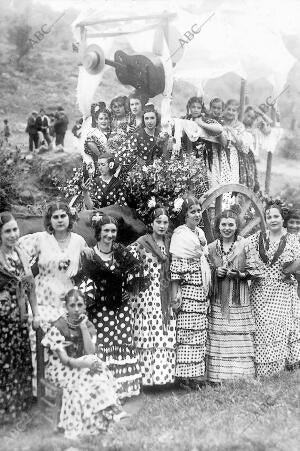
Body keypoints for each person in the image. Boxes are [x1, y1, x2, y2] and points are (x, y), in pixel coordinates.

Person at [19, 202, 87, 391]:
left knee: (67, 344)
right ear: (49, 220)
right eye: (55, 217)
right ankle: (38, 390)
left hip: (67, 301)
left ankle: (67, 388)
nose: (59, 220)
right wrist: (26, 272)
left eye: (62, 216)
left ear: (69, 218)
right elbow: (17, 249)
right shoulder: (41, 239)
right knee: (39, 343)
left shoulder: (79, 241)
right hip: (41, 300)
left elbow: (87, 266)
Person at [75, 214, 142, 399]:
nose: (110, 235)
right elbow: (83, 280)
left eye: (113, 231)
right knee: (102, 345)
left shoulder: (121, 252)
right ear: (98, 232)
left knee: (121, 342)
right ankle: (102, 388)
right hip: (100, 310)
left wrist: (131, 290)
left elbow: (136, 272)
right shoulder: (90, 254)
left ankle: (123, 389)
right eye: (106, 231)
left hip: (122, 309)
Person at [42, 288, 124, 439]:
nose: (76, 309)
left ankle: (99, 418)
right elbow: (65, 360)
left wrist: (83, 328)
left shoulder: (87, 325)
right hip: (62, 368)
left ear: (85, 306)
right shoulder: (58, 327)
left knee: (94, 366)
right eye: (72, 305)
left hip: (83, 365)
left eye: (80, 305)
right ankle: (100, 415)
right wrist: (86, 365)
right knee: (90, 372)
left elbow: (90, 351)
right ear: (66, 307)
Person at [245, 201, 300, 376]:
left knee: (278, 328)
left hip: (281, 290)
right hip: (260, 290)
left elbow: (293, 264)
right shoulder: (257, 237)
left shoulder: (291, 240)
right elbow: (241, 248)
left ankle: (278, 368)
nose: (272, 219)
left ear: (282, 219)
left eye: (276, 216)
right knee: (262, 328)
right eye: (269, 217)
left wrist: (290, 270)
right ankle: (262, 369)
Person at [129, 205, 176, 386]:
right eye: (158, 222)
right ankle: (148, 379)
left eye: (165, 222)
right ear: (151, 223)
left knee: (164, 333)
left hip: (165, 292)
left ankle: (165, 378)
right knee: (149, 333)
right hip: (147, 295)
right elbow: (127, 260)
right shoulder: (142, 243)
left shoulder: (171, 243)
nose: (162, 226)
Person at [207, 209, 255, 384]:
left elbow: (255, 270)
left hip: (238, 299)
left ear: (237, 227)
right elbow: (204, 271)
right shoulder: (211, 248)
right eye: (224, 224)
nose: (227, 228)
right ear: (218, 226)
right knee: (220, 335)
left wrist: (240, 275)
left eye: (231, 225)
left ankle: (241, 375)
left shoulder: (245, 245)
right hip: (219, 299)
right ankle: (218, 376)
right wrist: (215, 271)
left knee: (237, 335)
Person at [0, 212, 40, 423]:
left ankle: (20, 408)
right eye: (7, 231)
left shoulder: (22, 255)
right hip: (2, 321)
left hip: (20, 318)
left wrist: (36, 313)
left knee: (20, 362)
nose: (13, 235)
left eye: (15, 230)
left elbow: (30, 288)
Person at [170, 196, 211, 390]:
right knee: (185, 333)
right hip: (187, 289)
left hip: (200, 289)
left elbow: (203, 258)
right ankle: (182, 378)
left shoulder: (200, 233)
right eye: (193, 211)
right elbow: (176, 268)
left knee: (198, 333)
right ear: (185, 215)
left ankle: (195, 376)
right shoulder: (181, 234)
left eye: (199, 211)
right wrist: (176, 294)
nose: (197, 214)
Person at [117, 104, 167, 171]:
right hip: (139, 172)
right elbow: (127, 157)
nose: (149, 121)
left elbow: (165, 156)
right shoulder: (137, 135)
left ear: (156, 119)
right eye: (146, 118)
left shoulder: (161, 134)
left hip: (158, 171)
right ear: (143, 120)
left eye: (152, 118)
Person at [82, 102, 111, 179]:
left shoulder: (112, 133)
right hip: (96, 166)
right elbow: (90, 152)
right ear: (96, 120)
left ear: (109, 120)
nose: (104, 121)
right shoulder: (93, 134)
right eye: (101, 119)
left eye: (106, 118)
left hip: (110, 166)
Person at [241, 106, 260, 191]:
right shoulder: (239, 126)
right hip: (239, 157)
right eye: (248, 116)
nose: (249, 119)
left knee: (249, 182)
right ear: (244, 114)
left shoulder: (253, 131)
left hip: (249, 158)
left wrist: (252, 131)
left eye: (252, 118)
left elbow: (255, 149)